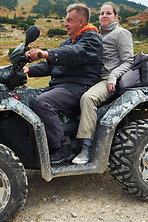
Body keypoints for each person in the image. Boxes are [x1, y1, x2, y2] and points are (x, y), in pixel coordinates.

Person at [23, 3, 103, 166]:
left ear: (81, 22)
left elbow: (76, 53)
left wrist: (45, 53)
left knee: (43, 103)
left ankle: (62, 148)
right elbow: (51, 66)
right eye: (65, 20)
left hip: (79, 86)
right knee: (28, 97)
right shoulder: (69, 42)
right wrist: (28, 70)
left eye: (69, 20)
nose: (65, 24)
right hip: (63, 86)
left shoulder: (91, 39)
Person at [72, 2, 134, 164]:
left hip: (108, 80)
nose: (104, 16)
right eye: (101, 14)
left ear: (115, 16)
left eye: (108, 13)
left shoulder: (122, 33)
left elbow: (128, 61)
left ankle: (86, 147)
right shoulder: (97, 35)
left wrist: (113, 75)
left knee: (88, 98)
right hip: (93, 78)